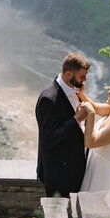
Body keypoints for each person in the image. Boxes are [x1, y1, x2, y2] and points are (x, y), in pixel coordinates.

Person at [35, 52, 91, 197]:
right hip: (59, 174)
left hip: (74, 170)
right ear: (67, 74)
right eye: (82, 76)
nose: (85, 80)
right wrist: (76, 119)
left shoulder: (75, 90)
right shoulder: (48, 99)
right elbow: (48, 140)